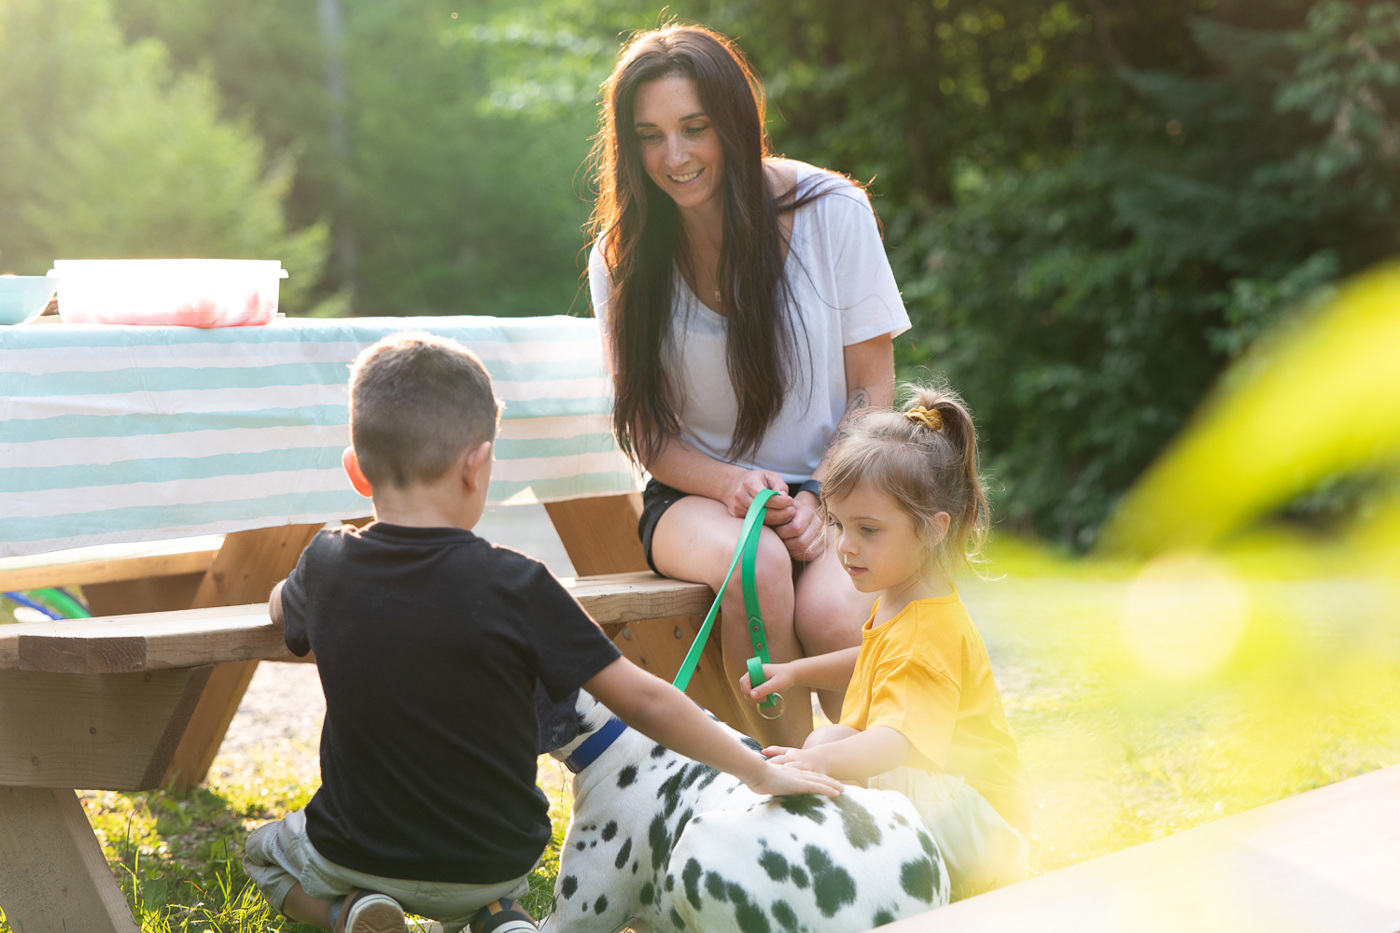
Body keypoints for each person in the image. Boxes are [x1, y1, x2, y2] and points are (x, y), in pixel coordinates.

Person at [241, 332, 842, 933]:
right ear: (477, 468)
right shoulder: (521, 583)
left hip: (356, 851)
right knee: (481, 887)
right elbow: (644, 697)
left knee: (260, 850)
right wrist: (756, 769)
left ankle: (346, 913)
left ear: (356, 472)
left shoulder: (325, 564)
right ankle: (498, 916)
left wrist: (291, 591)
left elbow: (278, 610)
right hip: (495, 860)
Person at [588, 23, 911, 746]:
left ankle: (897, 798)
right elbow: (650, 436)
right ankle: (790, 792)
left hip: (838, 485)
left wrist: (824, 493)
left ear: (735, 124)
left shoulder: (834, 212)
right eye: (650, 136)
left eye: (694, 128)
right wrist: (733, 485)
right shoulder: (622, 255)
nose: (674, 157)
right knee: (756, 565)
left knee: (835, 615)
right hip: (697, 496)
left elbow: (871, 385)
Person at [741, 384, 1033, 897]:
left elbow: (897, 742)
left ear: (933, 529)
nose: (845, 547)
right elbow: (875, 659)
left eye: (868, 530)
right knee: (831, 742)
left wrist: (818, 763)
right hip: (958, 805)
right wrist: (796, 672)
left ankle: (877, 880)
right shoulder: (906, 595)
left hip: (985, 829)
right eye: (837, 524)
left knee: (830, 744)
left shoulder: (926, 628)